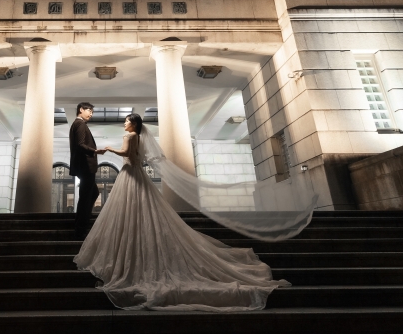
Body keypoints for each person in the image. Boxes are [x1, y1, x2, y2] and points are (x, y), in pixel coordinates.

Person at [73, 113, 291, 311]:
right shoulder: (138, 137)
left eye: (127, 121)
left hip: (129, 174)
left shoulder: (129, 137)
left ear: (134, 124)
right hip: (136, 175)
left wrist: (110, 149)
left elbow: (127, 154)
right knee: (140, 207)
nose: (124, 123)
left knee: (130, 208)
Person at [69, 102, 105, 239]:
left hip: (83, 166)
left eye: (92, 112)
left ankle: (82, 223)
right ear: (81, 109)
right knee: (85, 197)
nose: (91, 114)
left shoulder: (78, 124)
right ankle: (80, 229)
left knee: (93, 193)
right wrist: (95, 151)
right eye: (89, 110)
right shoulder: (80, 124)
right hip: (85, 166)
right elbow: (80, 144)